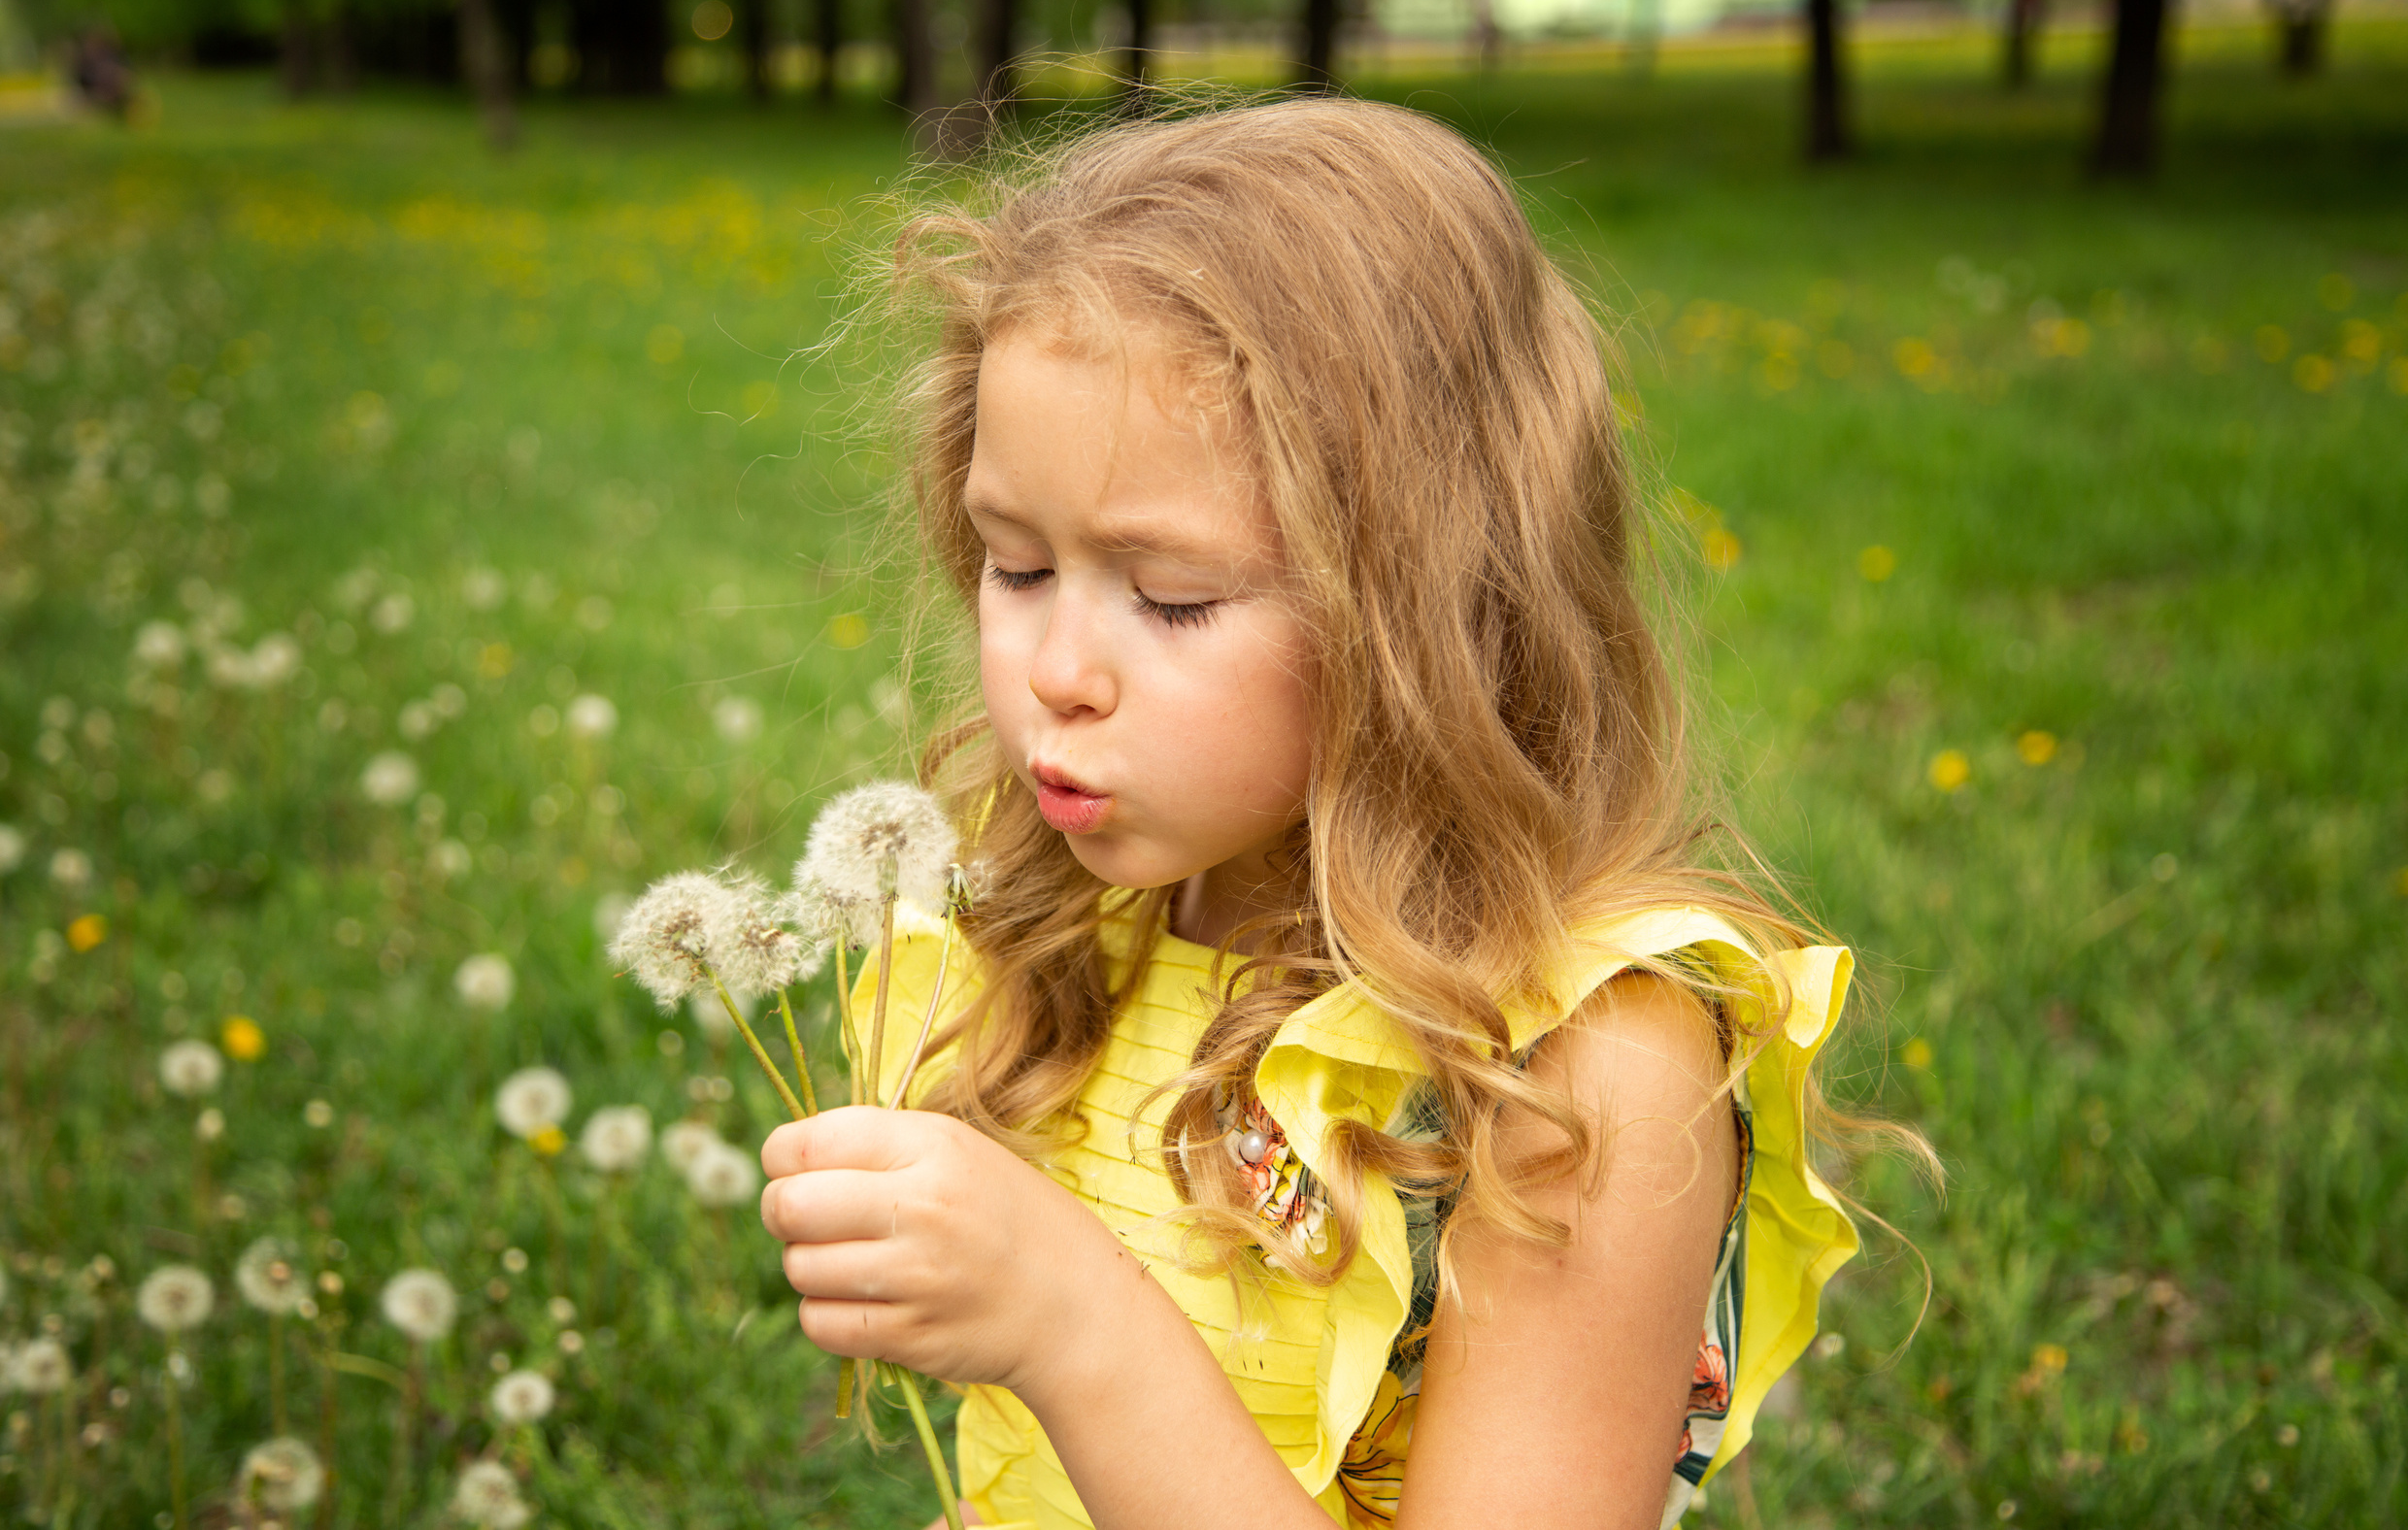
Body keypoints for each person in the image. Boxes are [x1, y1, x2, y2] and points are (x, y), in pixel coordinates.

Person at [758, 97, 1928, 1530]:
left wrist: (1070, 1323)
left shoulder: (1578, 1071)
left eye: (1171, 598)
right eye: (1013, 566)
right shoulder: (1085, 927)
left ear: (1424, 610)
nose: (1053, 674)